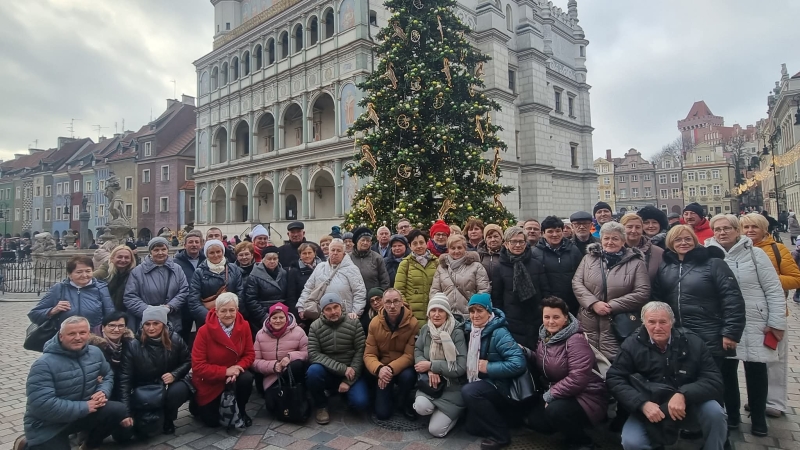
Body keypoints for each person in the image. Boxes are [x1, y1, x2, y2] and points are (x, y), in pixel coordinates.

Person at [606, 302, 727, 450]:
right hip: (650, 406)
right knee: (631, 442)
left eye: (663, 322)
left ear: (672, 322)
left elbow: (714, 379)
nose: (657, 327)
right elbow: (615, 378)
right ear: (643, 323)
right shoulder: (631, 344)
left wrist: (683, 394)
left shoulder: (693, 341)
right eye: (651, 322)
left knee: (715, 412)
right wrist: (641, 404)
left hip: (689, 403)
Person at [705, 213, 785, 436]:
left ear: (736, 230)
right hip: (724, 322)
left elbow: (773, 290)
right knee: (727, 371)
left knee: (756, 370)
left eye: (727, 228)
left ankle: (758, 418)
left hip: (755, 321)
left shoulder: (755, 254)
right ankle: (732, 416)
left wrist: (776, 322)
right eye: (717, 229)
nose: (722, 233)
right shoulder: (707, 253)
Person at [16, 316, 128, 450]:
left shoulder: (95, 352)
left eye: (82, 333)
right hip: (49, 424)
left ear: (89, 334)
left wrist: (102, 391)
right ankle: (26, 444)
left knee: (118, 410)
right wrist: (85, 407)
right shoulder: (43, 364)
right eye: (71, 334)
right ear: (61, 336)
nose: (78, 337)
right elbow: (42, 404)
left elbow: (108, 374)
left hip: (81, 413)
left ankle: (89, 446)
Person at [652, 225, 745, 367]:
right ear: (671, 242)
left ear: (694, 241)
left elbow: (732, 299)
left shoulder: (714, 264)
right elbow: (657, 299)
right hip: (677, 336)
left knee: (714, 377)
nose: (683, 243)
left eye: (688, 239)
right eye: (678, 240)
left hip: (710, 334)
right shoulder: (665, 267)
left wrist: (730, 333)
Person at [523, 296, 607, 450]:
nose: (550, 321)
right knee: (536, 422)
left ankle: (583, 442)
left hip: (586, 396)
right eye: (547, 317)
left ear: (566, 318)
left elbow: (578, 378)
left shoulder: (575, 340)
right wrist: (526, 352)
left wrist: (551, 394)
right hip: (562, 392)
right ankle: (566, 427)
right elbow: (544, 361)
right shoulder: (545, 337)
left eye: (556, 317)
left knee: (555, 412)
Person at [741, 212, 800, 417]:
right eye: (746, 227)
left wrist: (768, 279)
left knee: (776, 359)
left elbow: (795, 278)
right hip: (748, 313)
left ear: (764, 229)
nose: (750, 231)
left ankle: (776, 403)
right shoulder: (739, 250)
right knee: (753, 360)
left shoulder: (777, 249)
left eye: (754, 227)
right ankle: (757, 399)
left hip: (773, 312)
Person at [572, 222, 650, 361]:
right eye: (606, 238)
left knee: (617, 362)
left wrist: (611, 306)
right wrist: (593, 303)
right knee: (587, 361)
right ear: (601, 240)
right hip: (588, 321)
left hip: (618, 324)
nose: (610, 242)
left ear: (623, 241)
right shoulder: (588, 259)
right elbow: (577, 283)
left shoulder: (636, 263)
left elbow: (642, 292)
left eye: (615, 238)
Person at [460, 293, 527, 450]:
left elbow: (518, 363)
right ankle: (506, 419)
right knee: (471, 428)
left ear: (489, 311)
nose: (475, 315)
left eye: (480, 310)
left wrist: (489, 367)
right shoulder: (470, 330)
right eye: (472, 311)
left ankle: (501, 436)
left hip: (500, 385)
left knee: (469, 392)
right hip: (481, 381)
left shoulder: (499, 332)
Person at [119, 305, 192, 435]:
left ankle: (168, 418)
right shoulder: (133, 345)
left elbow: (188, 361)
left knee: (178, 391)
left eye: (156, 323)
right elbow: (125, 378)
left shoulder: (175, 339)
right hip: (143, 389)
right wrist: (126, 412)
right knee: (132, 433)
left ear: (163, 324)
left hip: (167, 385)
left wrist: (174, 374)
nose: (151, 328)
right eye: (147, 324)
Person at [190, 293, 256, 428]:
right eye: (223, 310)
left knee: (247, 378)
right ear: (216, 311)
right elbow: (198, 366)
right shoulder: (204, 331)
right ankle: (196, 404)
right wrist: (225, 371)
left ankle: (241, 410)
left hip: (234, 374)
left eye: (232, 310)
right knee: (212, 423)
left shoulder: (244, 326)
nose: (228, 314)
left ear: (237, 310)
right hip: (211, 379)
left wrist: (237, 368)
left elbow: (249, 354)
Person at [306, 293, 369, 424]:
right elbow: (313, 353)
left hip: (351, 372)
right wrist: (342, 369)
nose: (333, 312)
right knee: (313, 371)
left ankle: (344, 394)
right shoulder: (315, 326)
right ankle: (321, 406)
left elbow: (361, 351)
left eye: (336, 307)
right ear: (322, 311)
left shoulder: (354, 323)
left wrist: (348, 381)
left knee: (360, 403)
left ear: (341, 307)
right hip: (329, 371)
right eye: (328, 309)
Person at [413, 293, 468, 438]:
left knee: (436, 431)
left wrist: (432, 365)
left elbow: (460, 367)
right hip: (431, 385)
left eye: (441, 310)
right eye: (433, 310)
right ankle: (437, 412)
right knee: (420, 407)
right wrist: (430, 370)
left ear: (447, 313)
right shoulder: (426, 329)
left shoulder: (456, 332)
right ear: (428, 313)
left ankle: (453, 415)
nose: (436, 314)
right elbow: (418, 350)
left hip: (452, 387)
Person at [363, 288, 420, 419]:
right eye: (388, 302)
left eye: (396, 301)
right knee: (382, 414)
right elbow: (369, 354)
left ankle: (403, 401)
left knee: (408, 376)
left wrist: (389, 369)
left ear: (402, 302)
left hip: (401, 368)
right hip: (382, 367)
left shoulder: (413, 323)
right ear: (383, 303)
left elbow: (409, 355)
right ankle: (381, 396)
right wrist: (379, 369)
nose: (392, 306)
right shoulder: (374, 323)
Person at [491, 226, 549, 350]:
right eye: (513, 242)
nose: (517, 245)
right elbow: (497, 298)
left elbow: (545, 291)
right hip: (512, 320)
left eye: (521, 241)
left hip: (535, 317)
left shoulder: (536, 264)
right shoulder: (499, 267)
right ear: (506, 244)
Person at [29, 255, 114, 333]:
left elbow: (111, 316)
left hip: (93, 337)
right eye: (79, 272)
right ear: (70, 274)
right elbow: (34, 314)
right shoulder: (59, 288)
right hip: (65, 338)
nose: (84, 275)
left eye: (88, 271)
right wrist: (52, 311)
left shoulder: (101, 288)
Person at [252, 302, 309, 418]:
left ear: (287, 317)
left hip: (291, 373)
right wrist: (273, 366)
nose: (278, 321)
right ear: (269, 318)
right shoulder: (260, 335)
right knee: (271, 406)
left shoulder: (299, 332)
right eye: (274, 318)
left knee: (297, 365)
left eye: (281, 317)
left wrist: (290, 357)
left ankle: (299, 394)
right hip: (271, 376)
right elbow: (254, 361)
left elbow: (307, 353)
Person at [123, 237, 189, 332]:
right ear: (150, 251)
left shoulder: (177, 269)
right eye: (156, 250)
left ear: (168, 250)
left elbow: (183, 291)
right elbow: (130, 296)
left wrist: (169, 307)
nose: (160, 253)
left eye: (163, 249)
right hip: (145, 322)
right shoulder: (137, 271)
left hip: (171, 319)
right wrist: (149, 311)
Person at [297, 239, 366, 321]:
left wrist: (355, 312)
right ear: (329, 252)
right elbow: (308, 288)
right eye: (333, 250)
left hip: (345, 316)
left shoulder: (352, 269)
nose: (335, 253)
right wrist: (301, 306)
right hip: (321, 317)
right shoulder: (320, 267)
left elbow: (359, 292)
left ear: (344, 253)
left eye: (339, 250)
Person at [532, 216, 583, 316]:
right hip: (547, 305)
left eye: (558, 231)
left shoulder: (573, 250)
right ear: (543, 233)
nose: (555, 234)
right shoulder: (535, 253)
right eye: (550, 231)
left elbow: (581, 276)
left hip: (572, 303)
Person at [188, 240, 244, 327]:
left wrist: (231, 313)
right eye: (211, 253)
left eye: (218, 252)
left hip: (231, 318)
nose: (216, 255)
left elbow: (240, 292)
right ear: (207, 254)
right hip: (208, 320)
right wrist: (211, 317)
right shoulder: (199, 272)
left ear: (223, 252)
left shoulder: (234, 269)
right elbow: (194, 301)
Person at [430, 234, 491, 315]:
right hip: (447, 315)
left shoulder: (476, 266)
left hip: (470, 314)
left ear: (465, 248)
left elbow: (484, 290)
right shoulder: (441, 268)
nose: (456, 251)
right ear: (448, 249)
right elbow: (435, 291)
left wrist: (475, 309)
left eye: (459, 248)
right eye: (453, 248)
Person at [395, 228, 440, 324]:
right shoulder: (405, 264)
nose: (419, 246)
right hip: (412, 314)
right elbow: (399, 290)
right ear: (410, 246)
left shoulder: (436, 262)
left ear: (426, 243)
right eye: (415, 243)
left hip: (434, 311)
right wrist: (407, 308)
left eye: (421, 242)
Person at [243, 245, 288, 334]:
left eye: (275, 259)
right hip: (262, 314)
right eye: (269, 259)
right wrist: (264, 317)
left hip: (282, 313)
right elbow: (251, 300)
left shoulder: (284, 273)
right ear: (263, 259)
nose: (272, 261)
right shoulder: (254, 276)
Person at [172, 230, 206, 338]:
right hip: (184, 306)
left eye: (197, 242)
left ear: (201, 245)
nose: (194, 245)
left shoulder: (207, 260)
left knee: (203, 335)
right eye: (191, 242)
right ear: (185, 245)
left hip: (202, 305)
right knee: (184, 336)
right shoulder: (176, 262)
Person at [620, 213, 664, 283]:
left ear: (642, 229)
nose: (633, 230)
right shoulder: (615, 251)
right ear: (622, 229)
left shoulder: (658, 253)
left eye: (638, 227)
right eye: (629, 227)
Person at [93, 245, 138, 312]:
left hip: (127, 312)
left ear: (131, 260)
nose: (123, 260)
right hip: (105, 312)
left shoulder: (134, 274)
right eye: (119, 257)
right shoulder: (102, 273)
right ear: (112, 258)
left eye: (126, 257)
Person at [287, 242, 323, 323]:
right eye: (304, 253)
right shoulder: (294, 271)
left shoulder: (323, 267)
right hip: (303, 312)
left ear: (314, 253)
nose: (307, 256)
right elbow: (291, 295)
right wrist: (297, 317)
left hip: (322, 309)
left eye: (309, 253)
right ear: (300, 255)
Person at [350, 226, 391, 294]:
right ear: (357, 241)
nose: (365, 243)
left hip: (373, 298)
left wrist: (379, 295)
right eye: (363, 240)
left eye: (368, 241)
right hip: (353, 296)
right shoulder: (348, 258)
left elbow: (385, 281)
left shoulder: (377, 258)